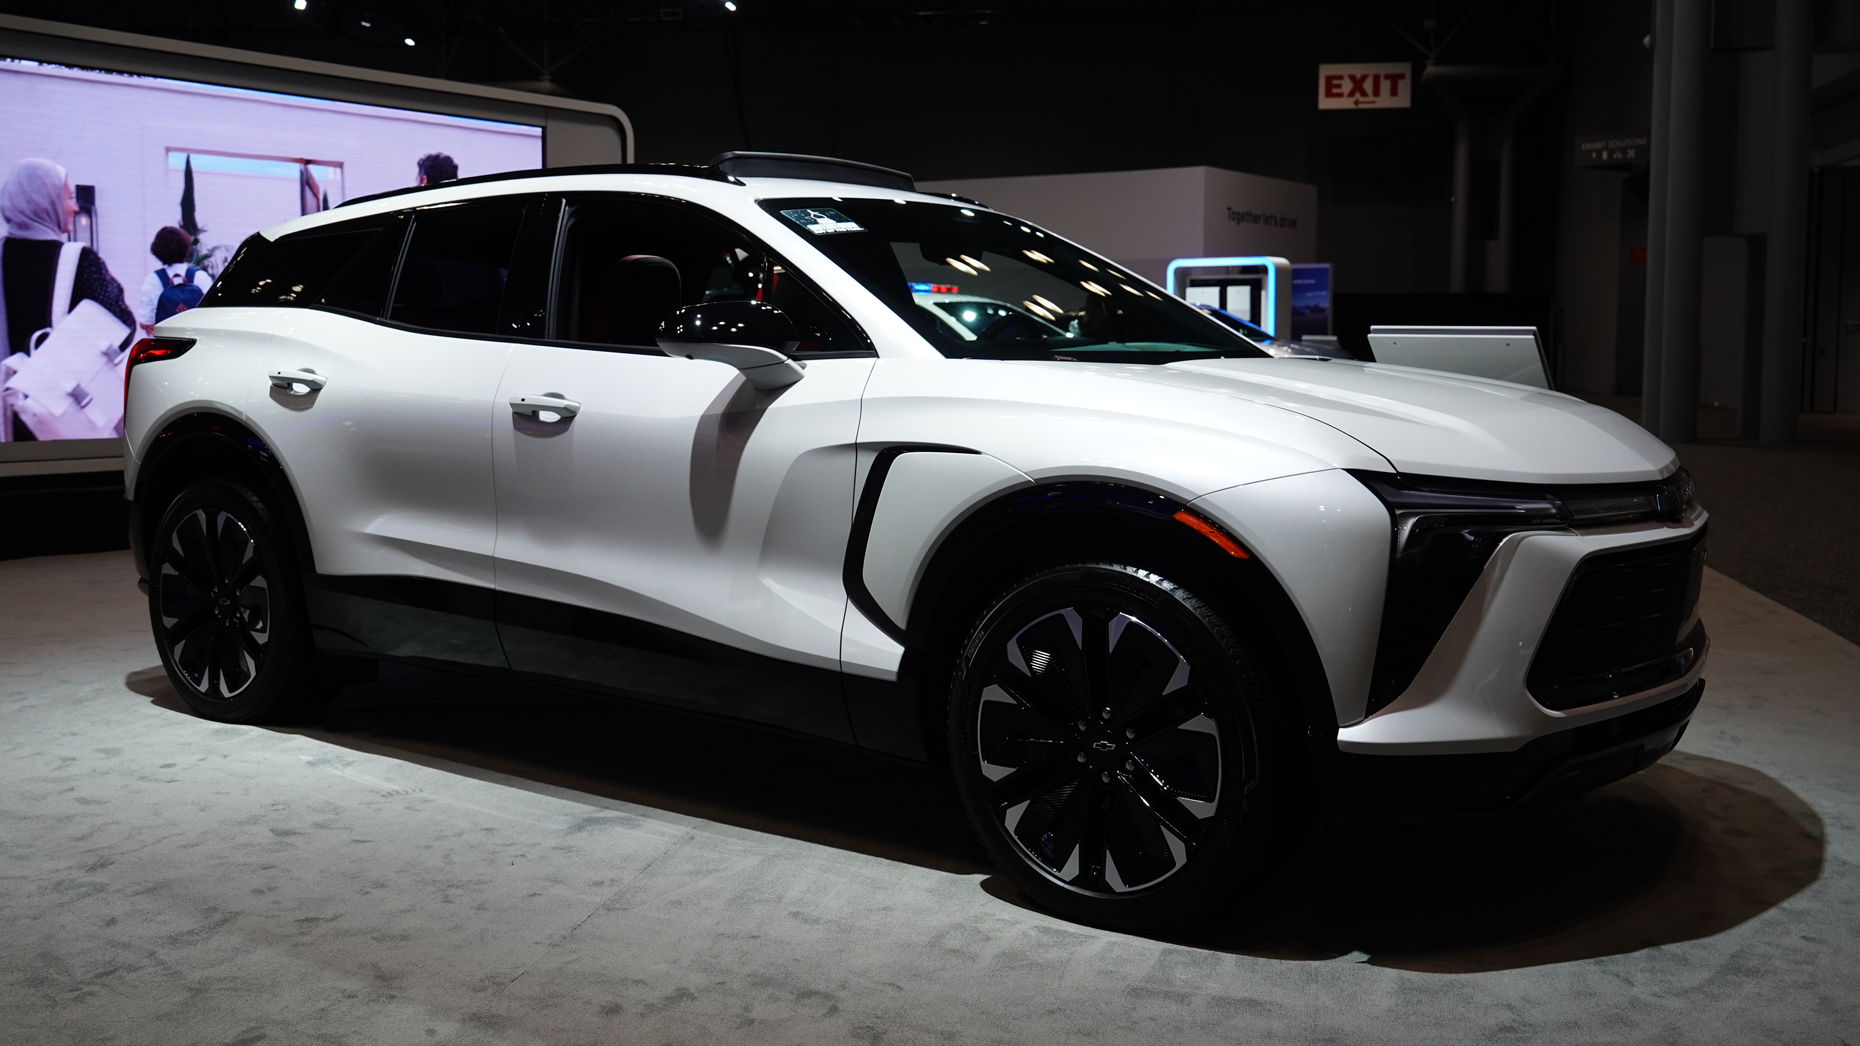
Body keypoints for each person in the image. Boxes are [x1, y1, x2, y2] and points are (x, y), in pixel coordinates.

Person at [0, 158, 135, 441]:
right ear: (44, 200)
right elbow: (122, 328)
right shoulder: (79, 261)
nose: (75, 207)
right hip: (60, 420)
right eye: (68, 197)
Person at [135, 226, 212, 333]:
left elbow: (145, 322)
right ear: (186, 248)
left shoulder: (153, 280)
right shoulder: (200, 276)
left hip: (167, 344)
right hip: (199, 342)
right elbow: (212, 313)